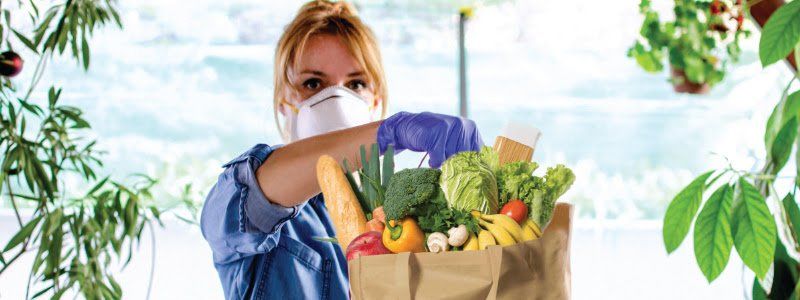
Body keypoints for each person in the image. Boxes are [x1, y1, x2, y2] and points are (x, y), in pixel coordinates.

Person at [200, 1, 484, 299]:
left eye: (356, 83)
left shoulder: (401, 216)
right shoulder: (253, 209)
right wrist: (392, 133)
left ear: (376, 98)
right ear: (284, 100)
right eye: (312, 83)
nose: (335, 99)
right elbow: (251, 192)